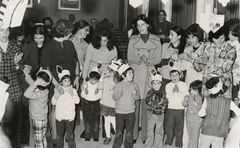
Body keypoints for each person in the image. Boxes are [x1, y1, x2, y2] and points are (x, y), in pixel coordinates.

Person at [40, 19, 80, 146]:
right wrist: (57, 85)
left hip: (70, 80)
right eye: (70, 32)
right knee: (56, 107)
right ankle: (56, 136)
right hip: (55, 81)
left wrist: (78, 77)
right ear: (64, 32)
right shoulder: (49, 46)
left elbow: (76, 61)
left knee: (70, 105)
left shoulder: (69, 44)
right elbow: (46, 68)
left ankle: (69, 133)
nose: (71, 34)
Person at [127, 14, 162, 144]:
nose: (140, 27)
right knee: (134, 106)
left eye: (143, 24)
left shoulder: (156, 39)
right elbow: (129, 56)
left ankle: (146, 136)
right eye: (138, 25)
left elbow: (158, 58)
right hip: (135, 73)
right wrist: (138, 59)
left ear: (148, 24)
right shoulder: (133, 39)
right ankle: (134, 134)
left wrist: (148, 61)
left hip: (148, 74)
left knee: (147, 106)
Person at [199, 77, 240, 148]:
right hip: (220, 133)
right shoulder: (228, 101)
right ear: (218, 86)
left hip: (206, 131)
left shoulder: (207, 99)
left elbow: (201, 113)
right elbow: (238, 112)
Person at [0, 27, 23, 148]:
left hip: (14, 88)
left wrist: (16, 64)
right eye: (1, 30)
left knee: (16, 123)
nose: (5, 33)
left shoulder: (15, 47)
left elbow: (21, 72)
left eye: (7, 30)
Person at [112, 61, 140, 148]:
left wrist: (135, 94)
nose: (132, 75)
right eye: (129, 73)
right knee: (119, 131)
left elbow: (138, 98)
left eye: (132, 73)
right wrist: (119, 94)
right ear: (123, 75)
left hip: (131, 113)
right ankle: (116, 145)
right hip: (119, 113)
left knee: (129, 132)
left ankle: (128, 146)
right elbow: (114, 97)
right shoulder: (118, 85)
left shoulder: (134, 85)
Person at [51, 66, 80, 148]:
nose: (67, 82)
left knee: (70, 135)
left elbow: (77, 101)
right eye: (65, 80)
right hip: (60, 117)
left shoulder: (73, 90)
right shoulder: (57, 90)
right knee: (60, 135)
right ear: (60, 82)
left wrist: (72, 94)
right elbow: (53, 102)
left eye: (69, 80)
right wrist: (56, 96)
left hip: (70, 117)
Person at [24, 68, 52, 148]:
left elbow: (26, 94)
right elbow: (31, 82)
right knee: (42, 138)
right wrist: (26, 74)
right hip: (43, 118)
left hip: (37, 119)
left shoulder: (38, 94)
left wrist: (35, 83)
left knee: (38, 141)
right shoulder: (45, 90)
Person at [164, 67, 188, 148]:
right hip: (170, 108)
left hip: (180, 109)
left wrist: (179, 91)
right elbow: (168, 96)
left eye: (176, 75)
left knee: (179, 127)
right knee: (169, 126)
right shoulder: (168, 85)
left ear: (180, 75)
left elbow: (185, 96)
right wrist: (173, 91)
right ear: (170, 76)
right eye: (172, 75)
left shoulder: (184, 85)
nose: (174, 77)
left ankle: (178, 143)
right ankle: (169, 141)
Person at [144, 69, 168, 148]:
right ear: (152, 84)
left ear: (161, 84)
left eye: (158, 83)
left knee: (159, 131)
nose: (156, 85)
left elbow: (165, 102)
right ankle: (148, 144)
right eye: (154, 83)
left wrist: (162, 109)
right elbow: (147, 100)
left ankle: (158, 144)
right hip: (151, 114)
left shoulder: (163, 93)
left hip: (160, 115)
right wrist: (152, 105)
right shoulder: (150, 92)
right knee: (150, 130)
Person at [99, 60, 120, 144]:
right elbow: (100, 87)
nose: (111, 72)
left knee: (114, 121)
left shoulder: (118, 80)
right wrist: (101, 78)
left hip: (113, 104)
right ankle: (108, 136)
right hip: (104, 103)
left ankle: (118, 137)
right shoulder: (105, 77)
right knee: (106, 121)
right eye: (110, 69)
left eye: (113, 70)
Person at [81, 63, 103, 142]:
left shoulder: (99, 85)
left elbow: (100, 96)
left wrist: (98, 92)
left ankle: (95, 136)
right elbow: (82, 95)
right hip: (87, 104)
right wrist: (85, 92)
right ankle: (87, 136)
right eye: (91, 78)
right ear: (89, 77)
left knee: (96, 121)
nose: (93, 81)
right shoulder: (86, 84)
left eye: (95, 79)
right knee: (87, 121)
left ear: (97, 79)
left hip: (96, 104)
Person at [182, 80, 203, 148]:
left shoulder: (201, 97)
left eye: (193, 89)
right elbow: (184, 105)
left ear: (198, 90)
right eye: (191, 88)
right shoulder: (189, 95)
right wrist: (185, 100)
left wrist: (195, 103)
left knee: (194, 139)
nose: (191, 90)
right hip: (189, 119)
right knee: (190, 137)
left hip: (197, 121)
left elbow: (201, 109)